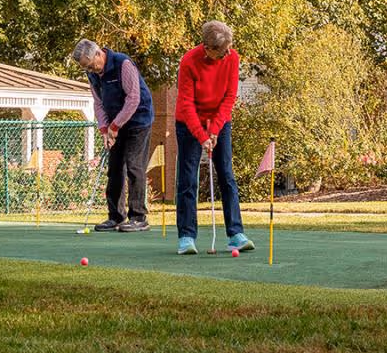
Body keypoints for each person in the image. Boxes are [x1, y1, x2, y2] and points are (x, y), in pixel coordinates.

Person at [174, 20, 254, 255]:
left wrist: (215, 130)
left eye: (230, 47)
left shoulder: (232, 58)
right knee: (188, 179)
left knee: (227, 174)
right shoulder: (189, 61)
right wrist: (202, 136)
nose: (228, 53)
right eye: (223, 50)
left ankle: (236, 234)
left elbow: (230, 97)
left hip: (219, 120)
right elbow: (186, 104)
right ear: (208, 48)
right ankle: (186, 237)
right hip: (189, 122)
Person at [71, 39, 154, 232]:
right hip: (115, 121)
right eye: (86, 68)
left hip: (138, 119)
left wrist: (115, 126)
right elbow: (98, 103)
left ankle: (138, 217)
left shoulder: (122, 63)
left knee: (134, 166)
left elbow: (134, 98)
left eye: (91, 65)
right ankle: (116, 216)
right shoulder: (92, 75)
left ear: (99, 54)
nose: (91, 70)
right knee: (114, 168)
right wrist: (104, 129)